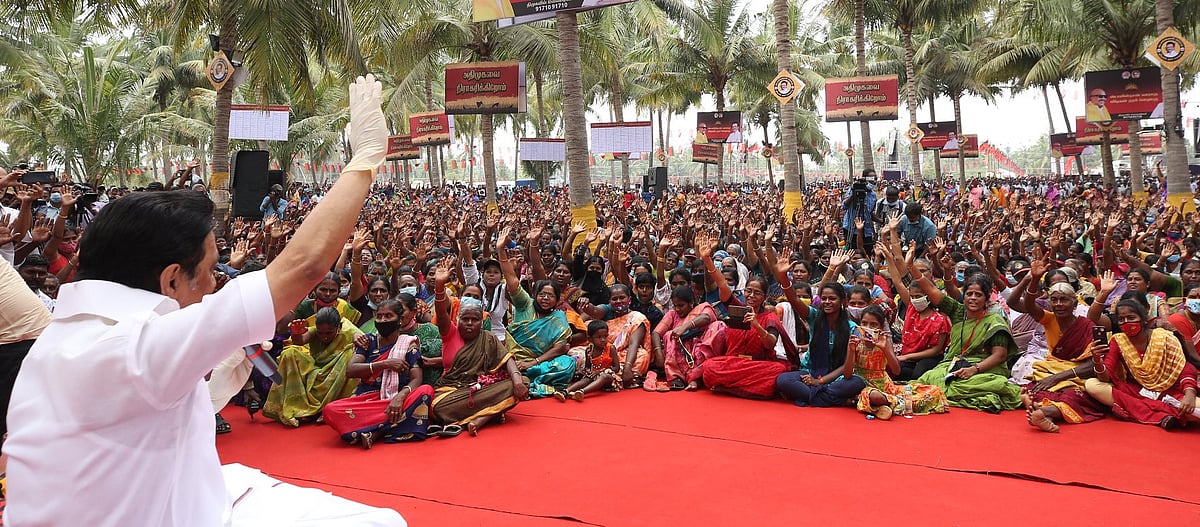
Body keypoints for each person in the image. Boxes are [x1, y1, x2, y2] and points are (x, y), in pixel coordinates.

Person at [6, 73, 404, 527]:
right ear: (172, 278)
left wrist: (216, 382)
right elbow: (305, 266)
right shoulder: (136, 347)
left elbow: (143, 428)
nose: (216, 284)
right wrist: (367, 159)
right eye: (212, 270)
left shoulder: (62, 339)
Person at [429, 259, 525, 437]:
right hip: (450, 394)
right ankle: (487, 416)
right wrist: (440, 285)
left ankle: (475, 419)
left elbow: (508, 359)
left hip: (478, 389)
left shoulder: (488, 338)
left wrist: (518, 381)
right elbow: (441, 313)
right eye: (465, 319)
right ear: (457, 320)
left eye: (475, 320)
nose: (470, 323)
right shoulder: (450, 333)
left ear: (482, 322)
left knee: (522, 383)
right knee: (438, 407)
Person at [322, 299, 436, 449]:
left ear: (400, 320)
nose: (383, 320)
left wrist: (399, 397)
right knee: (330, 410)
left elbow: (417, 379)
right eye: (380, 316)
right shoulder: (368, 341)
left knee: (426, 391)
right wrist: (384, 364)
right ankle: (387, 427)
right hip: (368, 399)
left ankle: (373, 430)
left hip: (397, 397)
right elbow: (351, 370)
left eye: (388, 316)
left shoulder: (408, 344)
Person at [1015, 263, 1107, 432]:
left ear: (1074, 303)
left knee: (1075, 397)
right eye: (1054, 300)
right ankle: (1045, 415)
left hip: (1078, 376)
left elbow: (1094, 364)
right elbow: (1029, 306)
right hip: (1051, 368)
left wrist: (1057, 378)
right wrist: (1034, 279)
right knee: (1035, 389)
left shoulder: (1086, 325)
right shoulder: (1049, 319)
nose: (1058, 304)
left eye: (1064, 300)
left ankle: (1042, 410)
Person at [1085, 299, 1198, 430]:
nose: (1126, 322)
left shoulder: (1165, 337)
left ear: (1144, 319)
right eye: (1121, 319)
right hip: (1137, 391)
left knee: (1195, 406)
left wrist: (1189, 395)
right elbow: (1105, 377)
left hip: (1169, 392)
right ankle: (1161, 416)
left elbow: (1185, 370)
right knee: (1092, 385)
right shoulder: (1118, 340)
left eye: (1131, 317)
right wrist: (1097, 359)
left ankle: (1143, 411)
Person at [496, 227, 574, 398]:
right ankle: (522, 380)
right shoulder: (525, 304)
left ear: (556, 299)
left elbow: (560, 348)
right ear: (535, 295)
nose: (545, 299)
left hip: (538, 362)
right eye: (542, 294)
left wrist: (534, 362)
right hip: (514, 360)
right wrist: (501, 251)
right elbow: (512, 280)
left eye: (550, 296)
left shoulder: (558, 317)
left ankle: (527, 380)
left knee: (567, 363)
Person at [264, 306, 366, 427]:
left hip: (338, 375)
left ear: (338, 327)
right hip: (315, 372)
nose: (325, 337)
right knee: (289, 353)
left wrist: (358, 338)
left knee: (350, 354)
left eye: (329, 333)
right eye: (320, 333)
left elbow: (363, 338)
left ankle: (332, 408)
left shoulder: (349, 329)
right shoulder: (315, 331)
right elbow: (300, 341)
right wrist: (296, 333)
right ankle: (299, 406)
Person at [775, 283, 867, 407]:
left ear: (842, 301)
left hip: (836, 378)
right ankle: (843, 401)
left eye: (832, 298)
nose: (827, 302)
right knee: (783, 380)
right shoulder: (814, 317)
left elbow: (846, 366)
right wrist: (783, 277)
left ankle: (810, 395)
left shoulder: (852, 329)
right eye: (824, 298)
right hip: (809, 372)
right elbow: (795, 300)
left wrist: (820, 381)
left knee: (856, 383)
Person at [849, 305, 948, 419]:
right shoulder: (855, 343)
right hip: (864, 386)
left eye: (873, 324)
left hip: (885, 386)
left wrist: (885, 349)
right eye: (864, 323)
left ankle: (887, 405)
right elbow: (847, 374)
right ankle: (890, 404)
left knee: (933, 391)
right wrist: (851, 350)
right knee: (874, 396)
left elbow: (896, 370)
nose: (868, 327)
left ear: (880, 327)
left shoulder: (884, 343)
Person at [655, 285, 721, 390]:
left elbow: (706, 317)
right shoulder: (672, 314)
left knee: (718, 326)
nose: (677, 309)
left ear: (691, 303)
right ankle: (676, 378)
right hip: (681, 353)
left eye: (681, 305)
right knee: (669, 335)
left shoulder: (703, 307)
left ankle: (696, 378)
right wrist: (658, 353)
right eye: (675, 305)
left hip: (699, 350)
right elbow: (656, 333)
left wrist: (684, 327)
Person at [557, 320, 620, 401]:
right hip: (595, 377)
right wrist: (585, 372)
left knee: (604, 376)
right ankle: (565, 392)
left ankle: (581, 392)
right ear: (590, 339)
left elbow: (616, 368)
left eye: (605, 336)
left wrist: (600, 372)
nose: (603, 340)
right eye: (599, 337)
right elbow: (588, 367)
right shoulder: (589, 350)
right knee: (587, 379)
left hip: (610, 378)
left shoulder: (611, 348)